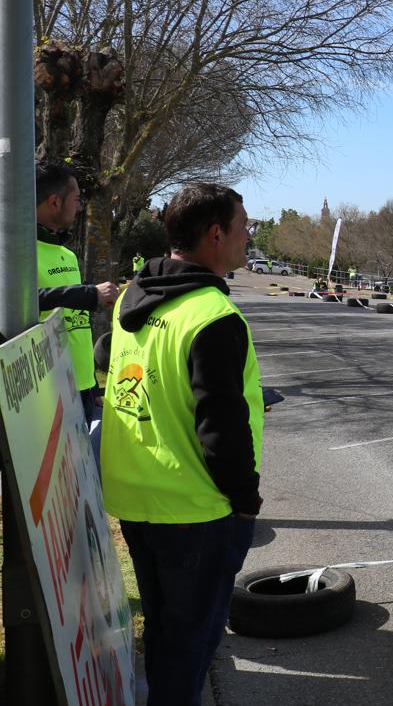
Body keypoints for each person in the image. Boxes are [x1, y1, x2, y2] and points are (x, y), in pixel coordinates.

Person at [101, 183, 262, 706]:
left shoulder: (132, 294)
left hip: (135, 497)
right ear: (216, 234)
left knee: (167, 633)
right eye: (244, 226)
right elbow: (221, 427)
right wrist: (244, 502)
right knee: (190, 644)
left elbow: (117, 361)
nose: (248, 235)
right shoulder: (213, 316)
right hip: (194, 509)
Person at [35, 162, 118, 436]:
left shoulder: (67, 254)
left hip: (82, 389)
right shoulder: (18, 252)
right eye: (77, 199)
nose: (80, 207)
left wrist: (91, 382)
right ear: (55, 202)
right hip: (45, 393)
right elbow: (21, 303)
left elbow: (77, 326)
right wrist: (86, 294)